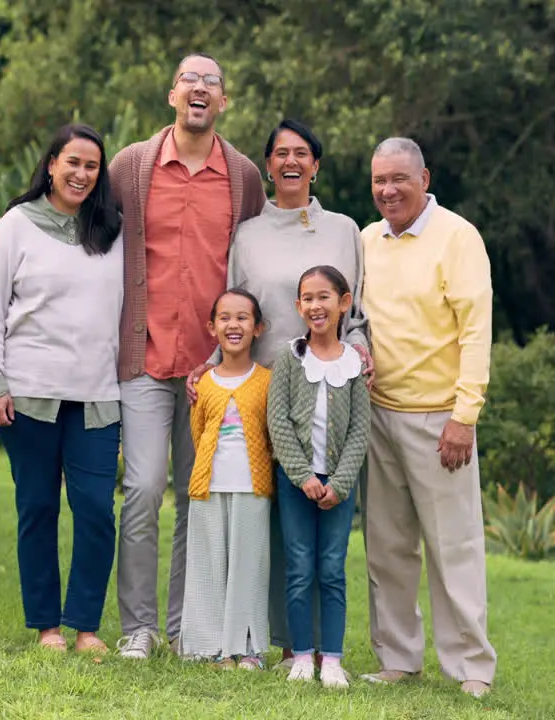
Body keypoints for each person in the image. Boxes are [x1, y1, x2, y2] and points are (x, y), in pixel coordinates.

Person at [0, 53, 266, 660]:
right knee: (139, 492)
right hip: (138, 364)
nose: (198, 90)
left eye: (210, 83)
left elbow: (258, 256)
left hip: (210, 372)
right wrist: (3, 231)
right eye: (189, 80)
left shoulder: (243, 176)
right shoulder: (133, 165)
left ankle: (188, 625)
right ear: (171, 95)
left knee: (199, 496)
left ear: (223, 101)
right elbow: (72, 214)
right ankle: (137, 627)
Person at [185, 118, 373, 667]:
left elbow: (354, 308)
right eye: (279, 154)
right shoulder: (248, 233)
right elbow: (234, 307)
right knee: (267, 518)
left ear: (316, 164)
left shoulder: (344, 230)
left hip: (329, 395)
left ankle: (314, 644)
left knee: (320, 524)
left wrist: (361, 350)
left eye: (301, 153)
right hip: (258, 391)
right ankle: (261, 637)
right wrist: (214, 365)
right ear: (266, 166)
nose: (290, 162)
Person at [0, 123, 124, 654]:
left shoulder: (113, 231)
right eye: (73, 162)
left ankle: (86, 626)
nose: (82, 174)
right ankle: (47, 628)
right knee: (37, 507)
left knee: (97, 511)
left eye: (92, 165)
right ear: (51, 165)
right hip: (29, 393)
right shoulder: (14, 226)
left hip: (99, 396)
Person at [356, 137, 498, 697]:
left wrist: (465, 416)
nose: (388, 190)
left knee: (453, 547)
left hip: (441, 419)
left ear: (424, 178)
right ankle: (397, 658)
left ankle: (471, 668)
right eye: (379, 181)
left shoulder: (457, 237)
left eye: (399, 179)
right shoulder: (366, 240)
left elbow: (475, 330)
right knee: (387, 547)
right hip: (378, 415)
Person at [266, 265, 372, 688]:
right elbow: (279, 422)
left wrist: (339, 483)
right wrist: (302, 475)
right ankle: (301, 655)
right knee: (298, 568)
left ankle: (331, 658)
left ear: (344, 303)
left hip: (338, 487)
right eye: (307, 298)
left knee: (331, 569)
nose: (315, 305)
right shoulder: (291, 359)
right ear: (298, 306)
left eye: (324, 296)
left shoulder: (354, 364)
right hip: (296, 484)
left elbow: (360, 431)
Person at [179, 289, 274, 669]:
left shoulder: (266, 381)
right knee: (207, 564)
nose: (233, 325)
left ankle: (246, 647)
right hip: (208, 486)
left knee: (248, 566)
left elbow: (270, 434)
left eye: (243, 318)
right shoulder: (202, 384)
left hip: (253, 487)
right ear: (212, 327)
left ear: (258, 328)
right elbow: (197, 432)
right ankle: (209, 646)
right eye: (225, 318)